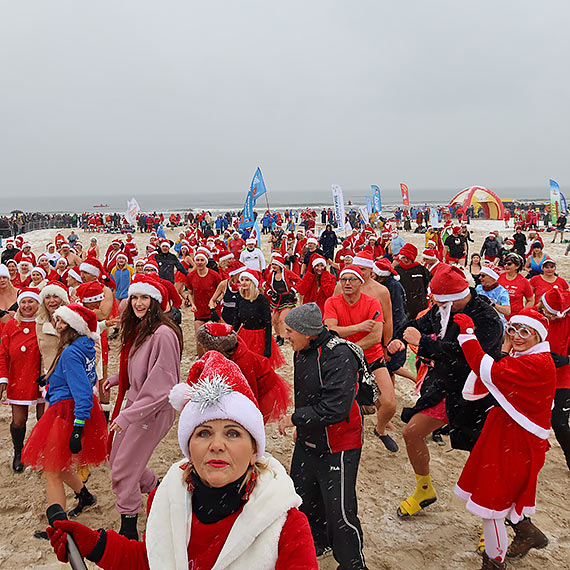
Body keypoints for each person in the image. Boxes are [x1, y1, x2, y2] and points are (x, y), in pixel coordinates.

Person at [47, 351, 317, 569]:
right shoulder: (168, 499)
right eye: (204, 433)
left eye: (233, 433)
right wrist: (94, 544)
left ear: (254, 451)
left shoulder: (285, 525)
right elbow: (154, 559)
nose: (217, 446)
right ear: (189, 447)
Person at [387, 264, 503, 518]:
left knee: (484, 457)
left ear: (456, 297)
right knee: (412, 432)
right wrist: (399, 337)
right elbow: (415, 324)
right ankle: (424, 489)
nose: (437, 307)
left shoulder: (488, 319)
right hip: (446, 385)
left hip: (480, 394)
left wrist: (424, 343)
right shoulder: (442, 309)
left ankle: (498, 518)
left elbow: (467, 356)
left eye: (441, 302)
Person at [454, 309, 554, 569]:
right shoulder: (529, 356)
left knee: (492, 507)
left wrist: (468, 337)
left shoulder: (534, 363)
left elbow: (490, 370)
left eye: (525, 332)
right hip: (512, 437)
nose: (517, 337)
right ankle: (527, 532)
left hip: (516, 442)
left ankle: (494, 563)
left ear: (538, 335)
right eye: (512, 329)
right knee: (503, 496)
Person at [279, 303, 368, 570]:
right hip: (310, 438)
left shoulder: (338, 355)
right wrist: (302, 428)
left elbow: (336, 408)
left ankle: (353, 564)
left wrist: (296, 418)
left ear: (308, 332)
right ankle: (318, 542)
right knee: (302, 496)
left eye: (290, 331)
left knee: (339, 510)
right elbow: (308, 395)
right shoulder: (303, 350)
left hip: (339, 444)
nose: (286, 336)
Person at [105, 274, 183, 540]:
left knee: (124, 468)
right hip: (136, 405)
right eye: (135, 297)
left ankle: (129, 527)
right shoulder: (141, 328)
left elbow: (161, 386)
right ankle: (158, 490)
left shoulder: (163, 334)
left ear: (155, 302)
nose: (138, 303)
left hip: (152, 410)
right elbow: (141, 370)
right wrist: (118, 379)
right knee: (117, 460)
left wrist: (127, 415)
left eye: (145, 298)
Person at [21, 303, 107, 519]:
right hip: (70, 409)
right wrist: (53, 379)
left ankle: (59, 526)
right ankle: (85, 496)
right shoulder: (84, 345)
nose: (56, 324)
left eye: (60, 321)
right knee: (58, 462)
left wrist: (78, 427)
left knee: (51, 469)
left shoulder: (70, 352)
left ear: (72, 326)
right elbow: (88, 378)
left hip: (66, 412)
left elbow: (83, 393)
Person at [323, 266, 395, 452]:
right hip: (343, 359)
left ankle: (380, 429)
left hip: (371, 356)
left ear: (360, 283)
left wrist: (347, 344)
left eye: (352, 279)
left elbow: (374, 336)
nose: (347, 283)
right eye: (343, 279)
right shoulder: (332, 302)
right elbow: (330, 330)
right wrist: (360, 326)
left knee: (389, 404)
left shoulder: (372, 303)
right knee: (342, 404)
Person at [196, 322, 291, 422]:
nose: (202, 349)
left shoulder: (243, 362)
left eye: (204, 346)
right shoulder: (232, 348)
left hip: (264, 389)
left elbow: (250, 392)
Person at [0, 288, 44, 472]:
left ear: (37, 304)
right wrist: (3, 379)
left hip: (42, 378)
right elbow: (3, 354)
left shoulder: (45, 323)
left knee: (44, 418)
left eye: (31, 302)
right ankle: (19, 453)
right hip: (18, 377)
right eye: (23, 302)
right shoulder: (11, 325)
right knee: (19, 420)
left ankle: (42, 453)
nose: (27, 306)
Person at [538, 288, 570, 471]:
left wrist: (566, 359)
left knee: (559, 422)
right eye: (545, 311)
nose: (547, 316)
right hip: (537, 375)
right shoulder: (537, 315)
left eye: (551, 314)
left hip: (563, 377)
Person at [234, 270, 285, 370]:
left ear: (253, 282)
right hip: (244, 336)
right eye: (242, 280)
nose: (244, 282)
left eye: (247, 280)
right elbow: (237, 320)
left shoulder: (262, 300)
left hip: (259, 337)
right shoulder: (240, 298)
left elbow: (267, 323)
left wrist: (268, 347)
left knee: (258, 367)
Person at [186, 251, 222, 356]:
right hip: (199, 312)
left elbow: (222, 291)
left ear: (206, 261)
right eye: (197, 260)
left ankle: (214, 359)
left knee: (212, 339)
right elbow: (190, 293)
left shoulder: (214, 275)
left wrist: (217, 301)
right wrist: (192, 304)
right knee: (199, 339)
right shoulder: (191, 276)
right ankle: (201, 360)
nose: (200, 262)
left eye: (202, 260)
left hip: (212, 311)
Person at [263, 254, 300, 346]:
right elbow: (266, 284)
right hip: (277, 299)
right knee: (274, 320)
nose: (274, 266)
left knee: (281, 320)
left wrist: (293, 290)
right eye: (272, 265)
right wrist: (270, 292)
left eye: (275, 265)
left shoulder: (287, 273)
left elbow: (299, 280)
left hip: (287, 299)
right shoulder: (271, 274)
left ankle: (283, 338)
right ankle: (279, 336)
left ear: (280, 265)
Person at [395, 243, 432, 319]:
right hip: (402, 306)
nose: (406, 260)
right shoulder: (396, 270)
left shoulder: (420, 269)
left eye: (408, 258)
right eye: (404, 257)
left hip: (419, 305)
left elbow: (430, 282)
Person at [0, 264, 18, 330]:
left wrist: (17, 314)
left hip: (17, 329)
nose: (2, 280)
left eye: (4, 277)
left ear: (8, 278)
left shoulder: (20, 293)